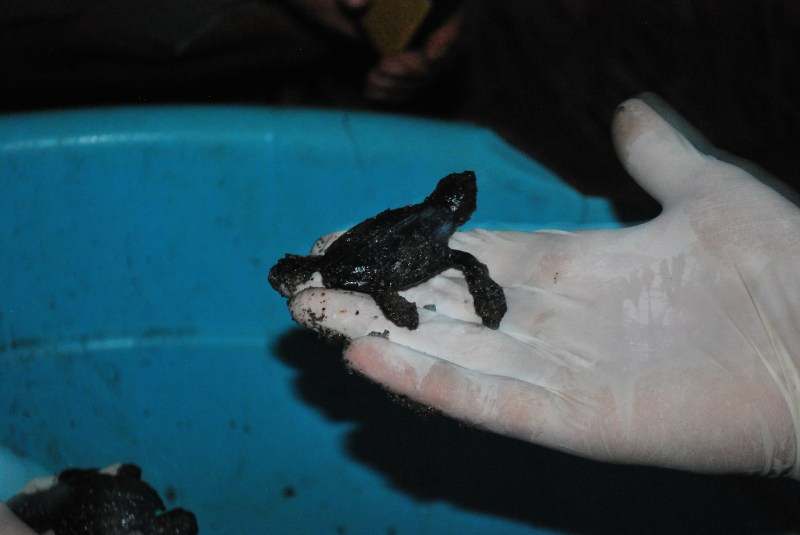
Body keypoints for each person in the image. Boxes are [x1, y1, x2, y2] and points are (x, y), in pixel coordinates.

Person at [286, 97, 800, 478]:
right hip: (380, 269)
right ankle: (368, 289)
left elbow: (410, 238)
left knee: (426, 277)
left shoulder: (432, 225)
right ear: (460, 209)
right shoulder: (444, 238)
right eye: (463, 196)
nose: (467, 195)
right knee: (439, 273)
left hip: (375, 263)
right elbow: (450, 259)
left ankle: (356, 283)